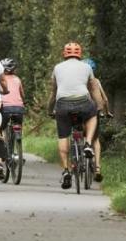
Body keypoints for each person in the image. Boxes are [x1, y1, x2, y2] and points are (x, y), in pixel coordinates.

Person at [46, 42, 99, 189]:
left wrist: (50, 109)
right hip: (83, 102)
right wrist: (98, 106)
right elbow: (94, 89)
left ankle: (66, 170)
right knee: (92, 115)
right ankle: (88, 143)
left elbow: (54, 92)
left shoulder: (57, 68)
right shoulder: (87, 67)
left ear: (65, 54)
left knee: (63, 136)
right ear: (79, 54)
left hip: (62, 105)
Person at [83, 58, 112, 182]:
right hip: (95, 112)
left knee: (82, 134)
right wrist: (107, 112)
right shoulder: (96, 81)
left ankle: (79, 159)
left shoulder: (80, 82)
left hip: (81, 111)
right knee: (95, 139)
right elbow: (104, 99)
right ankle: (98, 168)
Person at [0, 57, 27, 154]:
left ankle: (3, 149)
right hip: (19, 108)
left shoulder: (0, 80)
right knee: (18, 126)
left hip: (5, 108)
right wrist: (24, 101)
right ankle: (18, 147)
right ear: (14, 69)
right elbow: (22, 94)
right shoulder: (17, 79)